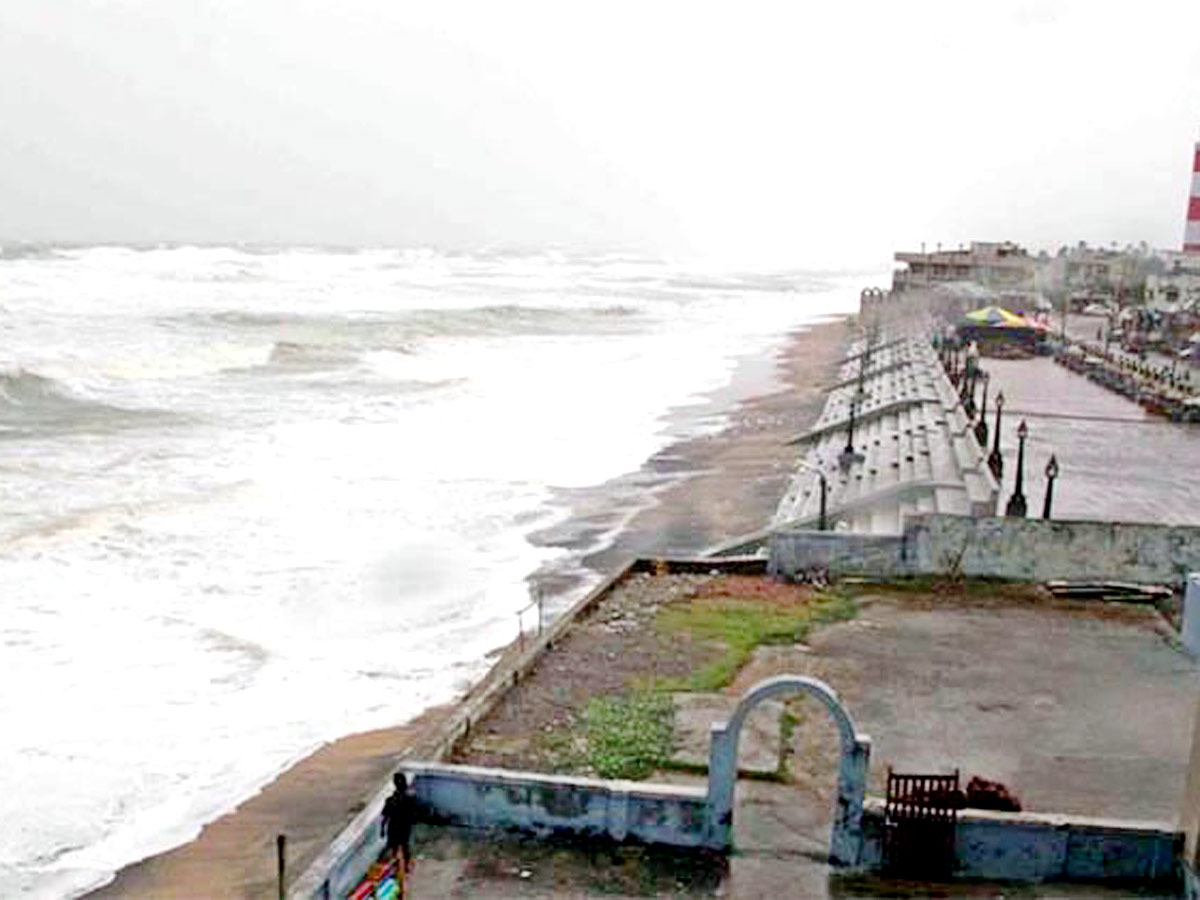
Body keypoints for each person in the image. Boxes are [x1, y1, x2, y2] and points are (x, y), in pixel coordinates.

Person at [381, 773, 417, 882]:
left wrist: (382, 828)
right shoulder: (405, 797)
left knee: (399, 847)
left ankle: (402, 866)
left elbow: (386, 815)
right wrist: (382, 828)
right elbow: (386, 815)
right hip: (400, 826)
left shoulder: (394, 799)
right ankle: (402, 866)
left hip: (398, 826)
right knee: (400, 846)